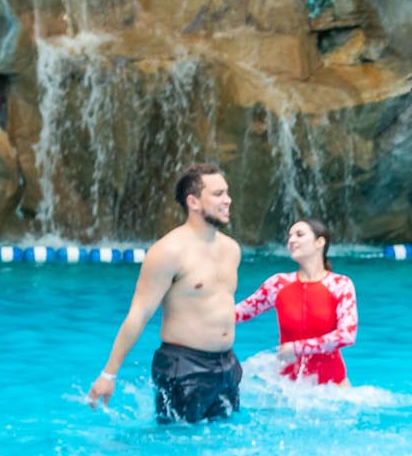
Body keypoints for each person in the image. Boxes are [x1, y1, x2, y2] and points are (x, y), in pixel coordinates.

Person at [89, 163, 244, 422]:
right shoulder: (168, 252)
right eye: (218, 194)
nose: (227, 200)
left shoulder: (231, 250)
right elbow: (138, 314)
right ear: (193, 202)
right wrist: (109, 374)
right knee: (180, 451)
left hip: (227, 366)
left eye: (227, 192)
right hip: (184, 369)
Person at [233, 218, 359, 386]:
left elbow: (347, 335)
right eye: (289, 236)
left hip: (333, 388)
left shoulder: (340, 285)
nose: (291, 240)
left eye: (299, 235)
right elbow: (236, 314)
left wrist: (297, 348)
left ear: (319, 242)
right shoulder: (277, 284)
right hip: (286, 389)